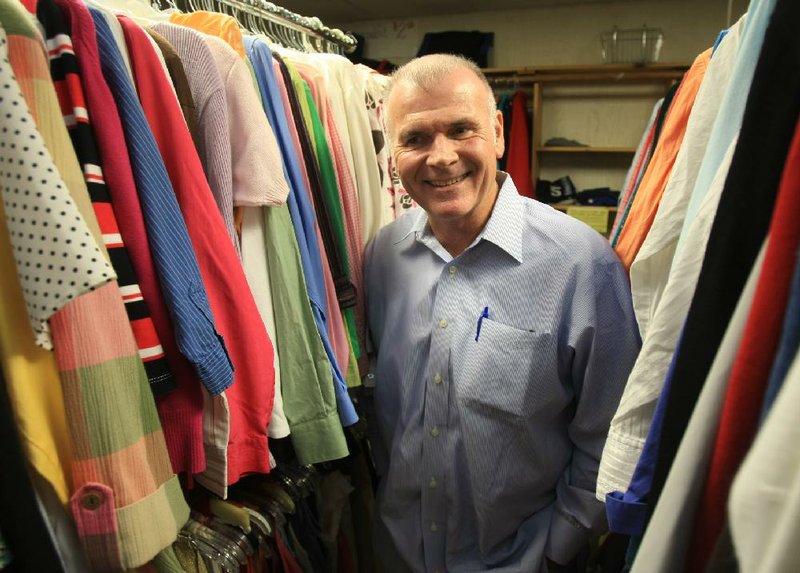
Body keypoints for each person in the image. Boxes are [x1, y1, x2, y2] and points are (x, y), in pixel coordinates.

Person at [363, 54, 641, 573]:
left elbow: (611, 434)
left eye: (461, 130)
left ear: (496, 132)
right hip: (396, 552)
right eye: (416, 138)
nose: (441, 157)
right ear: (391, 151)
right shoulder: (382, 256)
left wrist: (560, 547)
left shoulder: (582, 264)